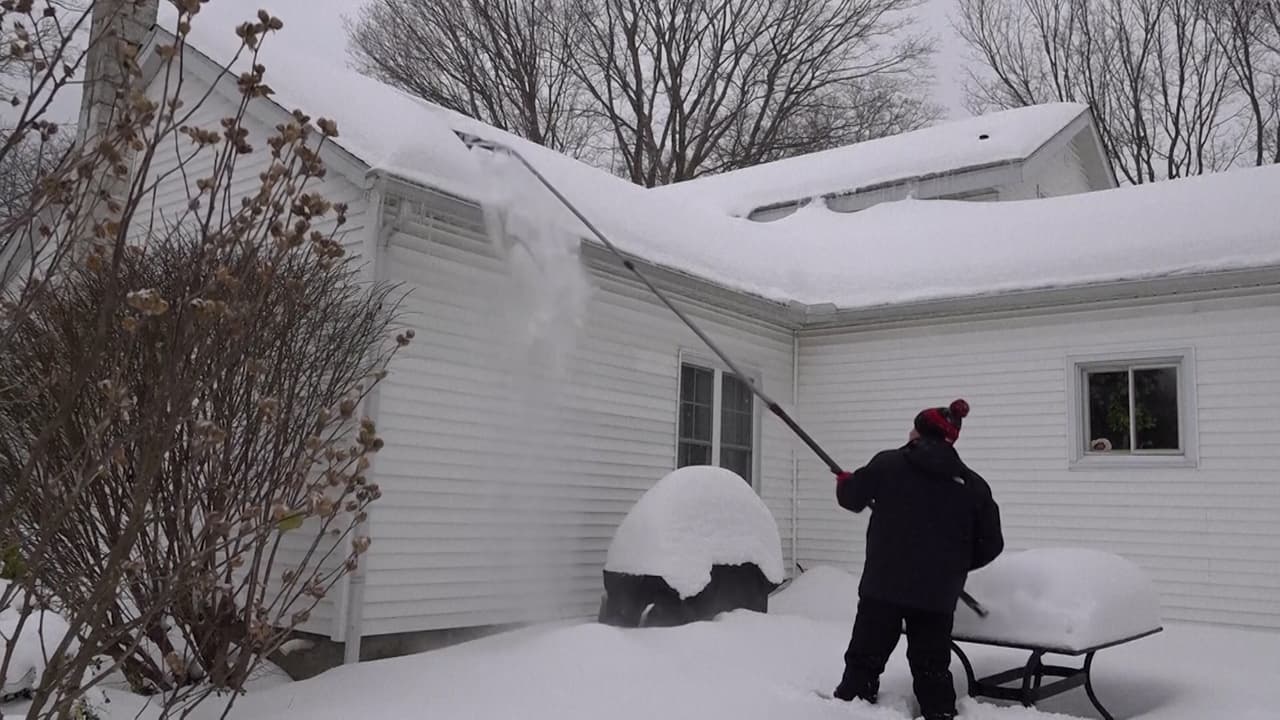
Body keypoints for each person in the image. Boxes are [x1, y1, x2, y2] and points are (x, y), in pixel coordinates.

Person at [830, 398, 1004, 720]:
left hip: (883, 586)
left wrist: (846, 483)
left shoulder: (888, 465)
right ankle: (939, 713)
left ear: (917, 433)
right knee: (932, 667)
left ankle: (851, 707)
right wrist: (955, 563)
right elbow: (992, 543)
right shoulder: (973, 486)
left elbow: (852, 498)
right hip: (937, 594)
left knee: (865, 659)